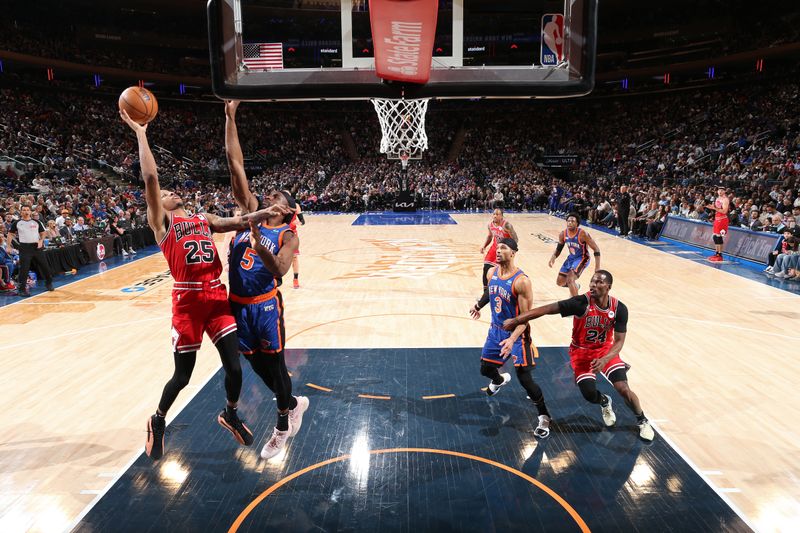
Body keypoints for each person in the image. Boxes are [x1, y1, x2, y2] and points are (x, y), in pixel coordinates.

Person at [120, 109, 292, 461]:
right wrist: (141, 133)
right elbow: (151, 177)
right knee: (182, 376)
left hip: (215, 297)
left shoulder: (203, 218)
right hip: (186, 302)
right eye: (165, 192)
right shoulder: (161, 222)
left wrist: (264, 214)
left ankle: (229, 412)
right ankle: (158, 418)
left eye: (170, 191)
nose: (169, 192)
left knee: (233, 367)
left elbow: (237, 221)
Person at [225, 100, 310, 459]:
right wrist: (230, 116)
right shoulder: (251, 215)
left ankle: (281, 428)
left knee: (274, 365)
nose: (270, 194)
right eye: (269, 194)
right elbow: (236, 166)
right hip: (237, 306)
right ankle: (293, 402)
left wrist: (258, 242)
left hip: (264, 306)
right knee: (258, 366)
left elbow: (278, 269)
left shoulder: (288, 236)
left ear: (288, 209)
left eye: (277, 196)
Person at [503, 270, 654, 441]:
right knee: (589, 394)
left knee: (623, 388)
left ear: (608, 287)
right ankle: (604, 401)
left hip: (606, 352)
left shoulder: (619, 309)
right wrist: (517, 320)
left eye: (599, 282)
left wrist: (605, 359)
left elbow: (619, 341)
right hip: (581, 353)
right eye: (592, 281)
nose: (593, 285)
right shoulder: (580, 303)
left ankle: (642, 420)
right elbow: (545, 309)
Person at [470, 238, 552, 439]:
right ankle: (499, 380)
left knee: (524, 378)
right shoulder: (492, 273)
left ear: (513, 252)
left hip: (517, 333)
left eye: (503, 248)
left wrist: (512, 338)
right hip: (496, 330)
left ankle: (544, 416)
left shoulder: (521, 281)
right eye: (497, 248)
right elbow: (490, 293)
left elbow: (526, 317)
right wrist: (478, 306)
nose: (498, 251)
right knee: (485, 369)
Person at [6, 203, 53, 296]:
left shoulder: (37, 222)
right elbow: (10, 234)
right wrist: (8, 246)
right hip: (24, 248)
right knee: (24, 269)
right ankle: (21, 289)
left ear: (30, 211)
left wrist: (41, 240)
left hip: (36, 247)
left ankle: (49, 283)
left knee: (45, 266)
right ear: (21, 212)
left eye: (28, 210)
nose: (26, 211)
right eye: (24, 210)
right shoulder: (17, 223)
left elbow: (43, 233)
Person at [549, 212, 601, 297]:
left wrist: (597, 267)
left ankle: (576, 304)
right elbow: (559, 249)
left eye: (572, 221)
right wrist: (553, 257)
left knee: (570, 279)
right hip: (571, 259)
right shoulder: (563, 234)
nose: (570, 223)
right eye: (568, 221)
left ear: (577, 224)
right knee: (560, 282)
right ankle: (575, 286)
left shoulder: (583, 234)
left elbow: (596, 249)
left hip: (583, 258)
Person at [479, 208, 518, 290]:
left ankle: (501, 290)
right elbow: (490, 236)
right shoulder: (490, 225)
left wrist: (511, 250)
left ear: (502, 216)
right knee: (486, 268)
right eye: (494, 214)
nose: (495, 216)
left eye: (497, 214)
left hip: (504, 250)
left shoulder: (506, 225)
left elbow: (515, 239)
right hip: (494, 248)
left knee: (499, 272)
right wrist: (484, 246)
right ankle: (485, 292)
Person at [706, 186, 730, 262]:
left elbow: (724, 211)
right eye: (719, 190)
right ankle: (716, 253)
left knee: (719, 237)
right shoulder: (717, 199)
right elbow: (717, 210)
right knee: (715, 237)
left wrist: (714, 208)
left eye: (722, 190)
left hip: (722, 219)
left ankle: (720, 254)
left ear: (724, 192)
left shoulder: (725, 200)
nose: (720, 191)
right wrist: (711, 208)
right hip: (717, 218)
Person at [287, 201, 305, 289]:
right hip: (280, 232)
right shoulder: (279, 205)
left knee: (294, 257)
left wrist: (299, 223)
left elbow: (303, 221)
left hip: (292, 234)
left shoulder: (296, 206)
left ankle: (295, 279)